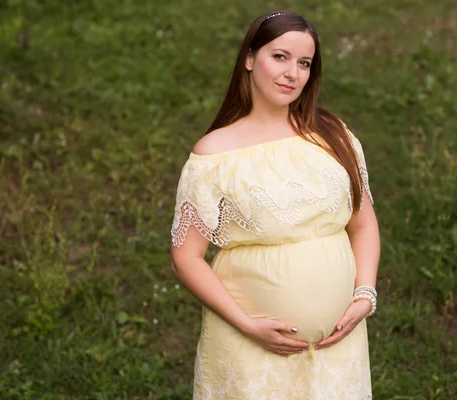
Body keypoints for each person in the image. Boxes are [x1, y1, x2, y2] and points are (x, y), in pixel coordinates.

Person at [170, 9, 380, 399]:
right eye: (279, 57)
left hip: (339, 348)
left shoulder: (333, 135)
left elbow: (363, 224)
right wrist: (247, 325)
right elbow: (186, 256)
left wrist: (365, 295)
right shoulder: (215, 154)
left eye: (304, 63)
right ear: (250, 58)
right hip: (252, 350)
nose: (292, 73)